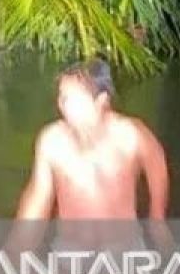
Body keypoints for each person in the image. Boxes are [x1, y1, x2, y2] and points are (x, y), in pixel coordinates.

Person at [13, 59, 170, 251]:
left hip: (124, 250)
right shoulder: (52, 140)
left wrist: (157, 216)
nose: (64, 105)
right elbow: (39, 196)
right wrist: (17, 248)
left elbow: (157, 167)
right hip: (71, 251)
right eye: (62, 97)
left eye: (73, 98)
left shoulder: (131, 134)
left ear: (101, 101)